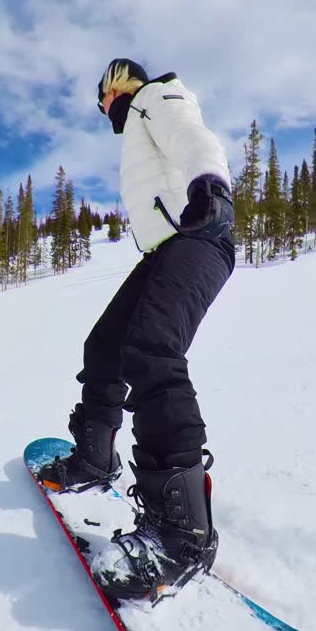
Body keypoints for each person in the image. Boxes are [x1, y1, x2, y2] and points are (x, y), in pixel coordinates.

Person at [36, 59, 235, 601]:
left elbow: (193, 139)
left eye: (102, 97)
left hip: (200, 237)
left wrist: (211, 190)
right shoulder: (139, 121)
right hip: (169, 248)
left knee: (153, 349)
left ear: (115, 86)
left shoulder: (156, 98)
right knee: (103, 347)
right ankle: (95, 457)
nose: (103, 110)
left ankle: (183, 535)